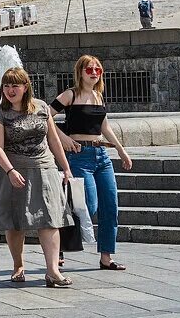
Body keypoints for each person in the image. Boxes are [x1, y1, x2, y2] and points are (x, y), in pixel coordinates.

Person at [0, 68, 75, 287]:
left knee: (50, 220)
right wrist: (10, 171)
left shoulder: (40, 107)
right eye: (6, 86)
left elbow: (54, 140)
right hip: (15, 171)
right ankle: (18, 264)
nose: (10, 90)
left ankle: (52, 271)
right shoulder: (0, 113)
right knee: (15, 222)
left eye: (15, 86)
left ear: (25, 87)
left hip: (44, 168)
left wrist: (65, 167)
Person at [51, 55, 133, 271]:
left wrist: (121, 150)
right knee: (86, 204)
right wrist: (64, 138)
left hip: (102, 157)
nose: (94, 73)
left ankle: (106, 257)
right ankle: (58, 245)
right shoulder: (70, 95)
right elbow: (45, 117)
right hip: (79, 156)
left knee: (110, 205)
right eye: (90, 69)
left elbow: (105, 127)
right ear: (80, 72)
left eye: (98, 69)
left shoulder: (98, 96)